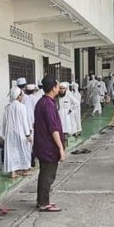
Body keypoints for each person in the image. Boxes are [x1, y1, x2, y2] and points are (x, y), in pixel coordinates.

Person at [33, 76, 65, 212]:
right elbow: (53, 128)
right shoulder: (49, 104)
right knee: (48, 175)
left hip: (41, 144)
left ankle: (41, 200)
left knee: (44, 173)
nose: (59, 88)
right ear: (53, 88)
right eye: (57, 86)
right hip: (48, 146)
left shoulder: (41, 102)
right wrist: (60, 148)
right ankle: (44, 203)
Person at [2, 86, 32, 178]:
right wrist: (28, 134)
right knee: (24, 150)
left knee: (12, 151)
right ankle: (25, 170)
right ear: (18, 97)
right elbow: (24, 121)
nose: (22, 97)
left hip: (9, 133)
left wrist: (4, 134)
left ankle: (13, 172)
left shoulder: (7, 107)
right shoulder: (22, 107)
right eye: (21, 95)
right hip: (21, 132)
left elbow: (4, 122)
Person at [57, 82, 79, 146]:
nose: (62, 90)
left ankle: (65, 146)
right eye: (60, 88)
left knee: (66, 131)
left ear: (66, 89)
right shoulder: (57, 96)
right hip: (58, 116)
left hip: (66, 117)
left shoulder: (69, 96)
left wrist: (70, 110)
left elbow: (76, 103)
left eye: (63, 88)